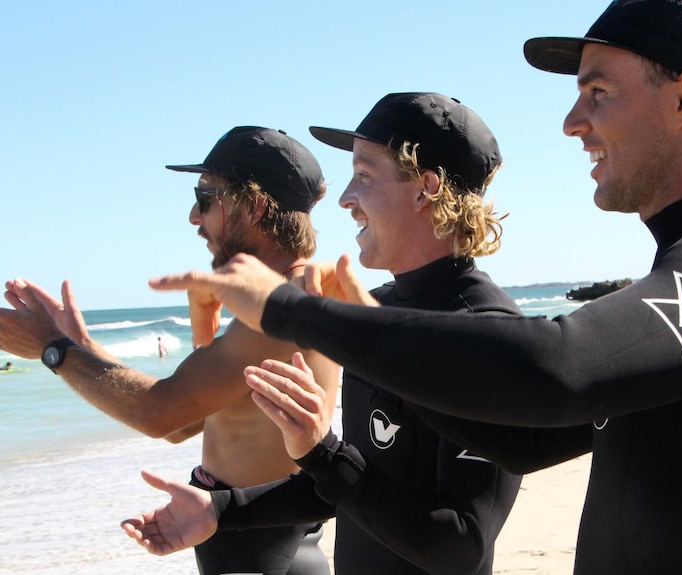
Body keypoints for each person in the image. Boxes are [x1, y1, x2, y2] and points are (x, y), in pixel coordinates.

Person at [141, 1, 682, 573]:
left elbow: (554, 371)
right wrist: (267, 484)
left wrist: (293, 308)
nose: (572, 123)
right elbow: (533, 439)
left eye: (598, 92)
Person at [123, 93, 523, 574]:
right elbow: (356, 486)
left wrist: (323, 452)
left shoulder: (487, 332)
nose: (344, 198)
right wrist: (220, 511)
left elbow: (461, 544)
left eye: (364, 176)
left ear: (426, 189)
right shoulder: (373, 312)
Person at [0, 127, 341, 575]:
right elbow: (190, 421)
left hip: (261, 551)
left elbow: (158, 414)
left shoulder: (279, 309)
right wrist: (83, 345)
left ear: (255, 206)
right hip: (261, 545)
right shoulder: (287, 301)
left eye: (205, 197)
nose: (192, 217)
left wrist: (55, 350)